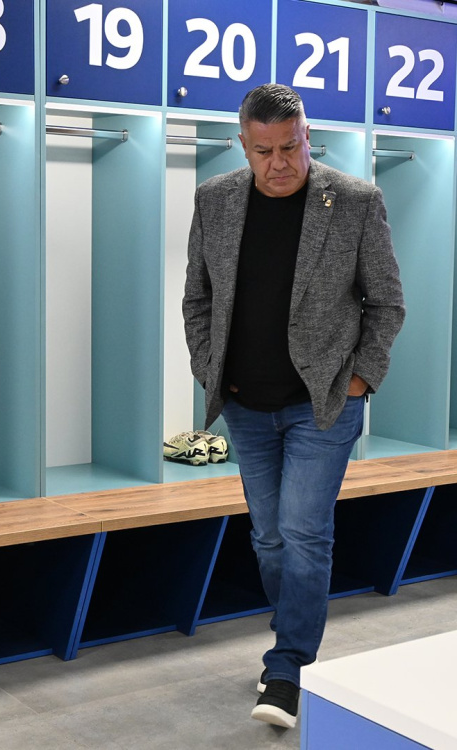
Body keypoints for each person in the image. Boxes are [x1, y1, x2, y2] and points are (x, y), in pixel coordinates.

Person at [183, 83, 405, 729]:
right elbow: (197, 298)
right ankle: (293, 633)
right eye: (264, 151)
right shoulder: (215, 199)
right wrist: (210, 368)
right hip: (245, 404)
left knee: (305, 531)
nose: (279, 163)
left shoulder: (355, 200)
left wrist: (360, 379)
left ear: (308, 137)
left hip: (323, 404)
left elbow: (387, 302)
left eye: (291, 147)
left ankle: (286, 668)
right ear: (242, 145)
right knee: (270, 537)